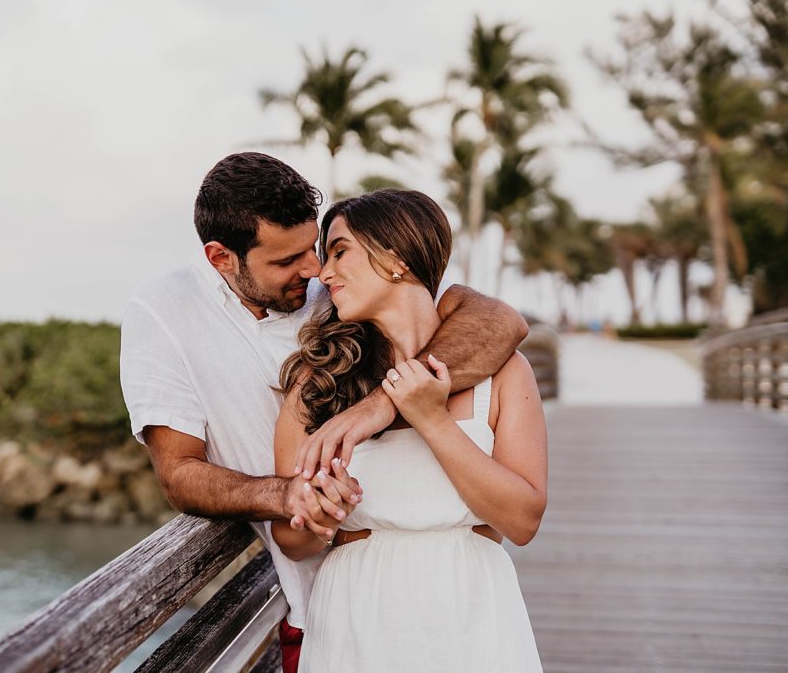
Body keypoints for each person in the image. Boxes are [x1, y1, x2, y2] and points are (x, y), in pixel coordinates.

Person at [119, 152, 529, 673]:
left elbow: (496, 320)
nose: (313, 270)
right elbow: (178, 473)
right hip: (317, 603)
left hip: (458, 607)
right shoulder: (163, 312)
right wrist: (288, 493)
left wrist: (382, 406)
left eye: (315, 249)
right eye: (287, 260)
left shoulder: (341, 291)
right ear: (221, 258)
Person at [273, 189, 547, 672]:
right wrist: (320, 513)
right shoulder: (316, 383)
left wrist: (431, 419)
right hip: (357, 618)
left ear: (395, 257)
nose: (323, 272)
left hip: (472, 614)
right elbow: (290, 541)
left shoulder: (505, 373)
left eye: (339, 251)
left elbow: (523, 521)